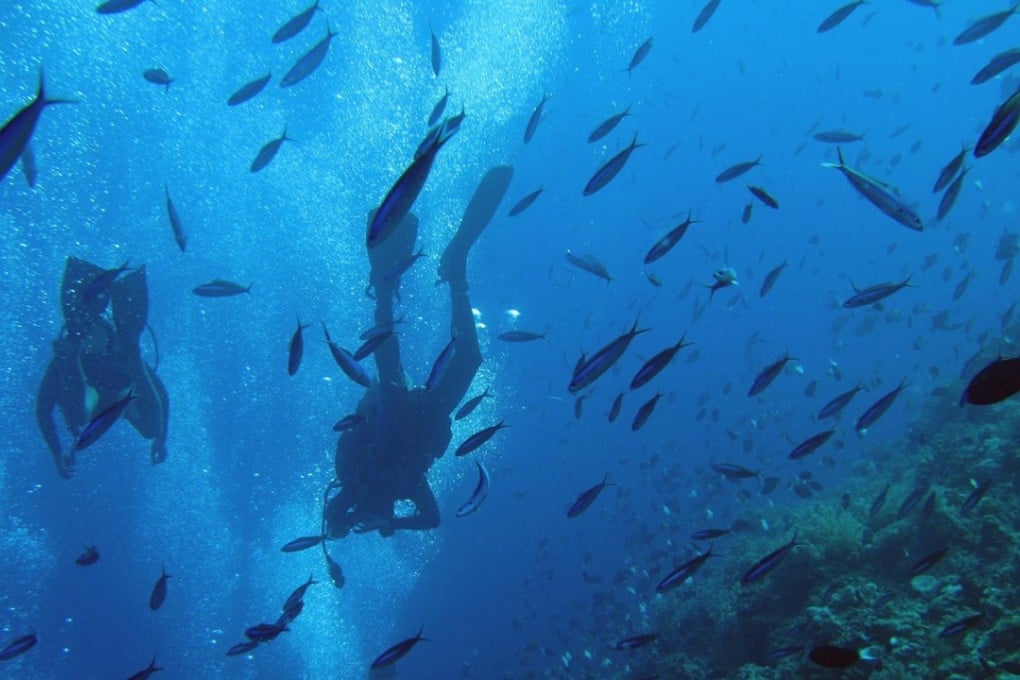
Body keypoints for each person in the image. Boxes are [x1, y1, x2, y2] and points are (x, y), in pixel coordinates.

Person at [322, 165, 513, 539]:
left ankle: (383, 285)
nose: (377, 516)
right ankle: (456, 272)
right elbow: (432, 519)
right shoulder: (404, 489)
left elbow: (335, 513)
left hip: (392, 406)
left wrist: (349, 517)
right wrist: (392, 523)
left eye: (369, 517)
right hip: (425, 415)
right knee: (470, 359)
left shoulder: (352, 479)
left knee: (386, 353)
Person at [36, 256, 170, 478]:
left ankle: (126, 354)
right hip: (106, 386)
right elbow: (161, 395)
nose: (94, 342)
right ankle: (128, 354)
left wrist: (58, 453)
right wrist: (161, 439)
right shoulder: (111, 352)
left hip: (110, 387)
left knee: (82, 417)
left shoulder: (113, 352)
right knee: (148, 426)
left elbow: (43, 409)